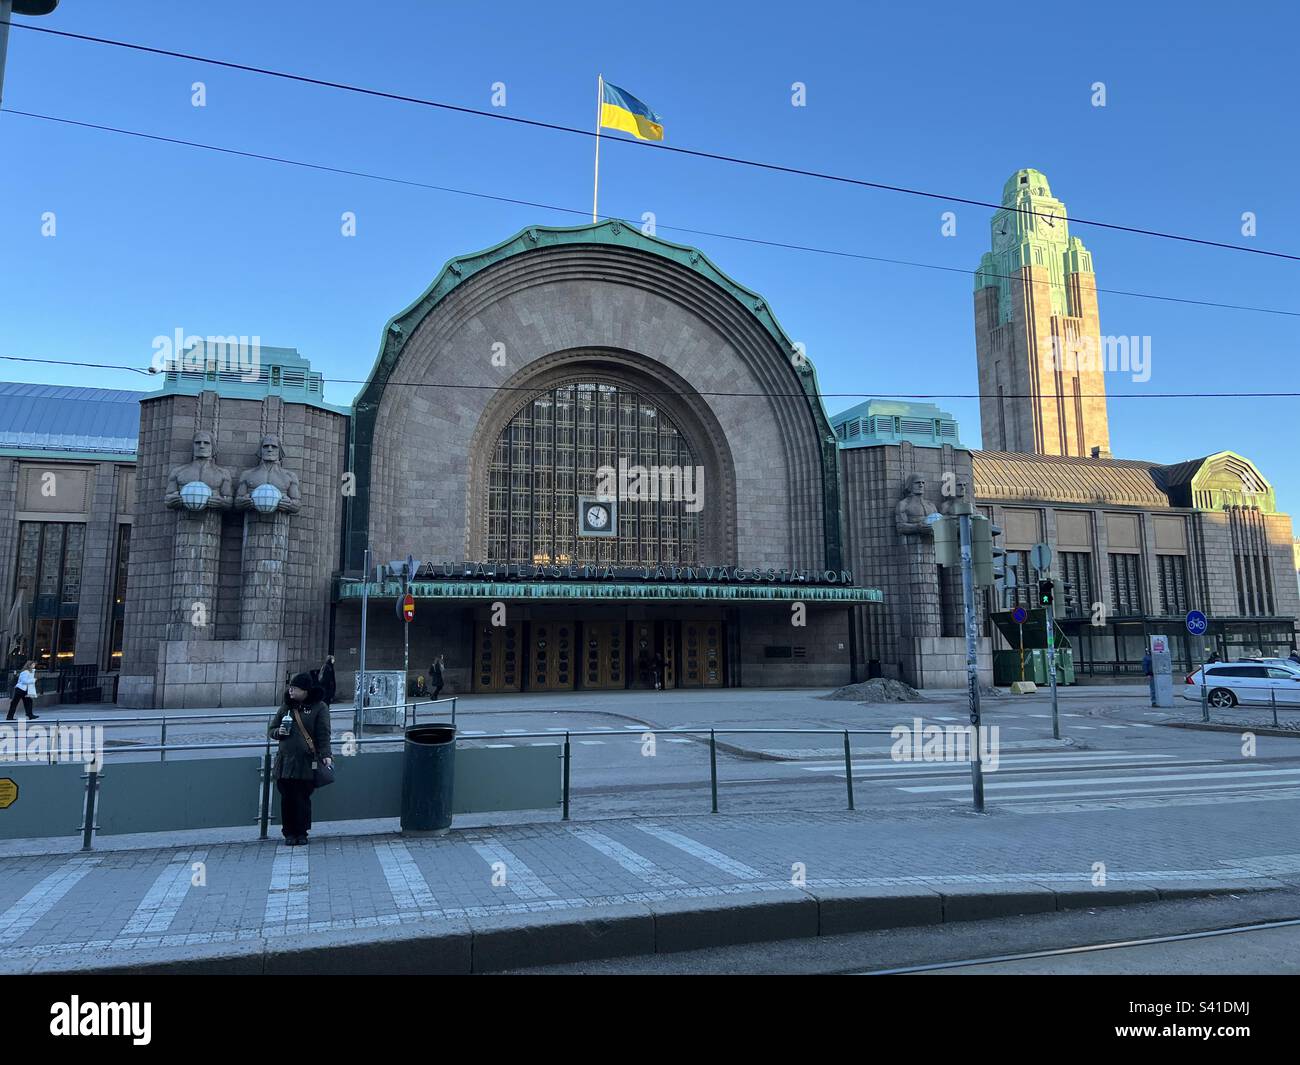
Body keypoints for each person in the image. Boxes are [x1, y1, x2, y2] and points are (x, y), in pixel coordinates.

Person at [267, 672, 332, 846]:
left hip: (306, 760)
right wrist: (277, 733)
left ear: (305, 690)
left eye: (294, 688)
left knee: (302, 797)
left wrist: (326, 755)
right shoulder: (286, 707)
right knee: (287, 797)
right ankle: (289, 833)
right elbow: (271, 728)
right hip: (286, 761)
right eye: (290, 687)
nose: (290, 691)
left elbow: (323, 733)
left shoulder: (319, 707)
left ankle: (302, 832)